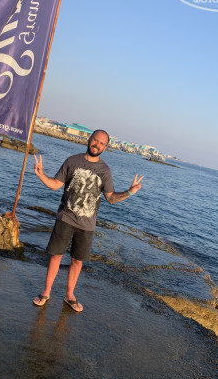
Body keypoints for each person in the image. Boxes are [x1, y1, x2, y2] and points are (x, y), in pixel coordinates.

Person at [32, 129, 143, 312]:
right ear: (89, 139)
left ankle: (69, 295)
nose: (97, 145)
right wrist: (41, 175)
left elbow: (110, 198)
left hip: (87, 225)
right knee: (56, 256)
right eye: (95, 140)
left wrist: (130, 192)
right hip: (66, 217)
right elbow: (56, 185)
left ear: (105, 148)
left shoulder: (105, 171)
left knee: (77, 261)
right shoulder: (72, 161)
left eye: (102, 143)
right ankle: (46, 292)